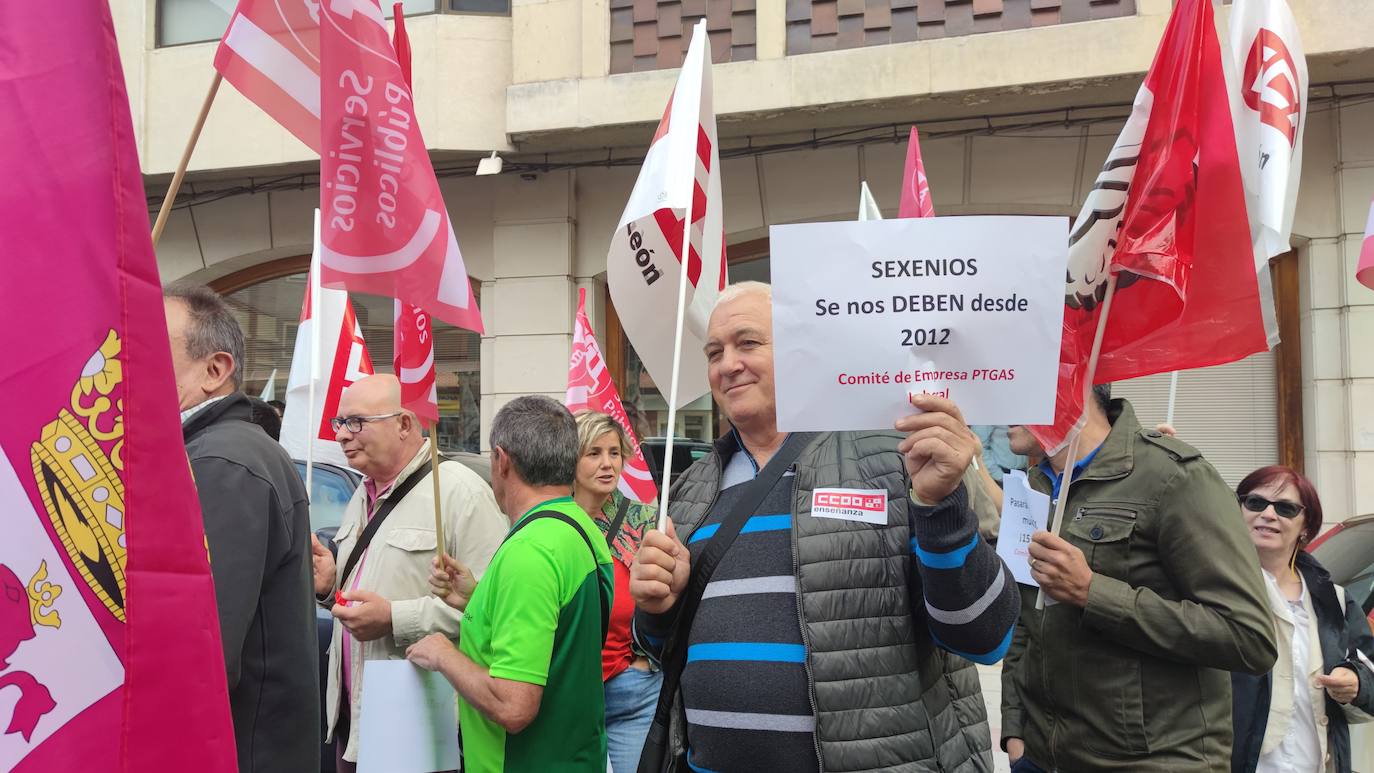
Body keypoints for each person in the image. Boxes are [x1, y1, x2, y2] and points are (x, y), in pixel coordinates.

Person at [630, 281, 1019, 773]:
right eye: (714, 352)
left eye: (748, 343)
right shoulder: (688, 491)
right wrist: (656, 612)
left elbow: (985, 635)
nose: (728, 364)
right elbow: (662, 652)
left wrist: (940, 508)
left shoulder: (894, 456)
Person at [1000, 384, 1278, 772]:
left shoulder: (1175, 477)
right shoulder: (1033, 486)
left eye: (1020, 382)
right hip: (1042, 758)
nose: (1000, 402)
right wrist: (1016, 729)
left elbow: (1249, 638)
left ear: (1075, 381)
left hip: (1157, 761)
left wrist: (1092, 592)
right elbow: (1028, 618)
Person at [407, 396, 614, 773]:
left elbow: (513, 705)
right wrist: (475, 598)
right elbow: (557, 633)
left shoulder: (530, 551)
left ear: (502, 461)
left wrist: (442, 654)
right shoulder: (579, 527)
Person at [310, 374, 506, 772]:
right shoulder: (361, 493)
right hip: (356, 721)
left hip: (421, 726)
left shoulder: (460, 493)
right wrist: (331, 587)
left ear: (403, 424)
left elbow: (491, 612)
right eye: (339, 423)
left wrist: (393, 619)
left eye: (357, 422)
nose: (343, 435)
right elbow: (366, 587)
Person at [164, 283, 318, 773]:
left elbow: (199, 651)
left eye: (145, 347)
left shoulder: (219, 463)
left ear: (215, 370)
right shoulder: (219, 451)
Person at [1231, 466, 1374, 773]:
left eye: (1285, 508)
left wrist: (1356, 683)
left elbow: (1370, 670)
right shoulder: (1212, 588)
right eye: (1255, 503)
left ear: (1305, 527)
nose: (1268, 514)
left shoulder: (1333, 600)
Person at [572, 410, 663, 773]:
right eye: (594, 453)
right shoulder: (549, 522)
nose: (608, 464)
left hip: (632, 691)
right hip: (570, 693)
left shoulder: (645, 522)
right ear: (571, 458)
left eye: (614, 453)